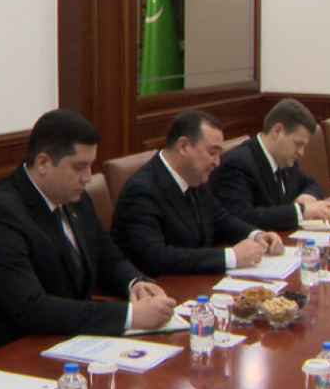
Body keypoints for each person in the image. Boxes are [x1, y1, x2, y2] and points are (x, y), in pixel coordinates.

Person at [0, 109, 175, 359]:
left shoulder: (75, 198)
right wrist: (130, 316)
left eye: (90, 166)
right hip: (2, 356)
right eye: (79, 167)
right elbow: (32, 309)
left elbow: (108, 258)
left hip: (63, 342)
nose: (88, 178)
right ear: (43, 163)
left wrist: (135, 283)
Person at [111, 110, 285, 277]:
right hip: (159, 288)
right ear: (183, 146)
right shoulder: (141, 191)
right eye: (212, 153)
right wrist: (230, 257)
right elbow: (155, 257)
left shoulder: (195, 178)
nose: (217, 162)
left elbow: (221, 219)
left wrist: (255, 235)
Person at [210, 99, 330, 231]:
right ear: (277, 132)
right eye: (298, 144)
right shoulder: (237, 164)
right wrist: (301, 211)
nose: (301, 152)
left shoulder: (286, 162)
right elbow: (243, 217)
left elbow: (311, 184)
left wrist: (307, 197)